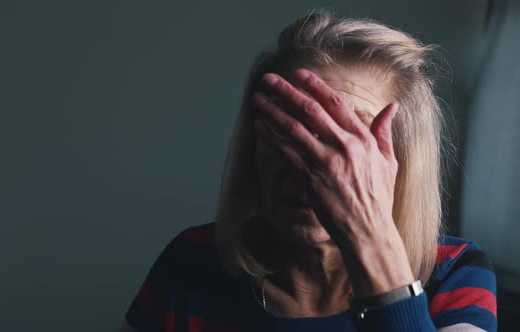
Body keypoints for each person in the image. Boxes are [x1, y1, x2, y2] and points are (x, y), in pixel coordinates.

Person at [122, 10, 497, 331]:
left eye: (346, 140)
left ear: (402, 161)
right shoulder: (191, 261)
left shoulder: (455, 273)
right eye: (287, 130)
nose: (312, 167)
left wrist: (368, 236)